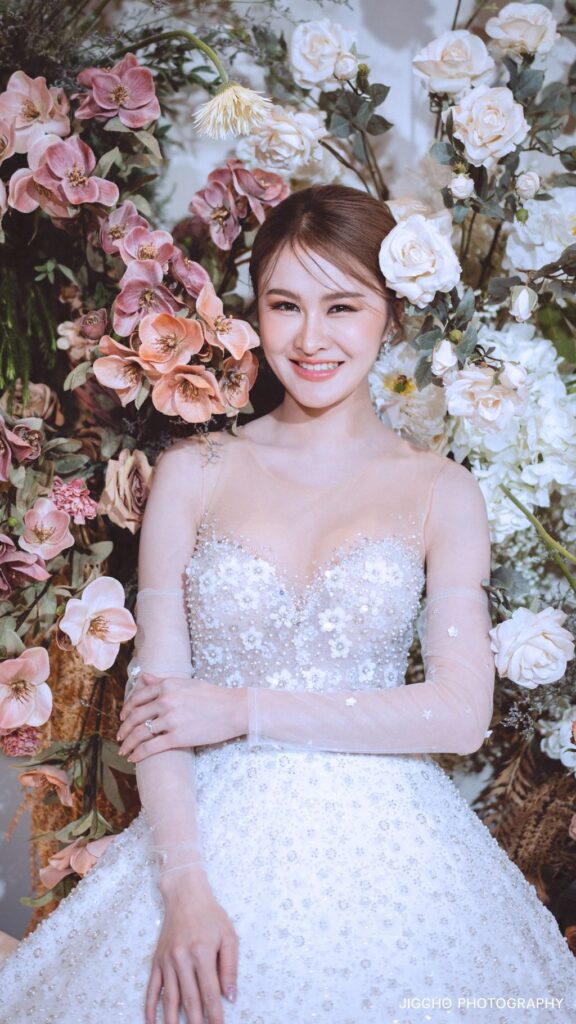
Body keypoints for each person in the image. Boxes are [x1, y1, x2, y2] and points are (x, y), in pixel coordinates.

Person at [1, 184, 575, 1024]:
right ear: (256, 311)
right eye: (284, 305)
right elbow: (158, 713)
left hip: (398, 859)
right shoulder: (194, 474)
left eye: (343, 306)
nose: (310, 338)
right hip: (206, 843)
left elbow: (459, 715)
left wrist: (239, 708)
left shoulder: (442, 491)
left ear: (392, 316)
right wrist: (186, 891)